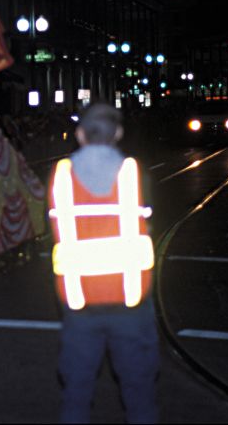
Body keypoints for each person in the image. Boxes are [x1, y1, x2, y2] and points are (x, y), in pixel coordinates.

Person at [48, 104, 158, 424]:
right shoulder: (135, 174)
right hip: (130, 299)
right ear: (119, 133)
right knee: (139, 392)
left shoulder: (61, 176)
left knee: (76, 392)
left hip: (80, 301)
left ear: (79, 134)